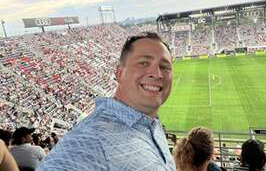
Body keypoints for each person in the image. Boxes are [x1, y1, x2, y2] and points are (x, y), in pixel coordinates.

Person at [37, 32, 175, 171]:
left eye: (164, 66)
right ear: (119, 73)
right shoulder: (90, 139)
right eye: (143, 63)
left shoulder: (150, 125)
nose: (157, 74)